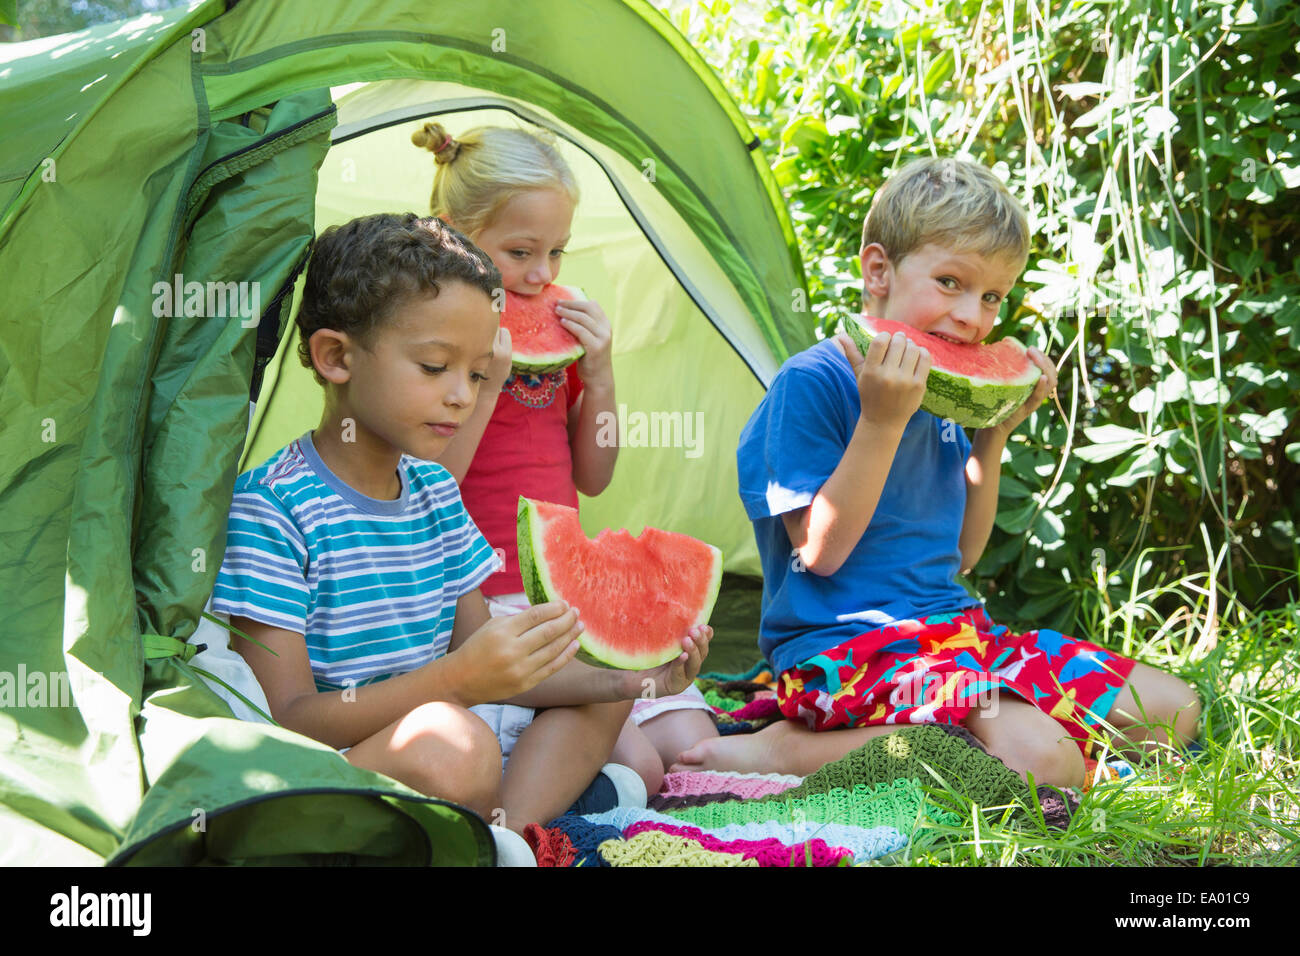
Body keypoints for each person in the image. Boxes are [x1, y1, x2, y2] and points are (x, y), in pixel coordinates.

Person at [674, 157, 1200, 787]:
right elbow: (819, 551)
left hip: (955, 634)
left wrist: (994, 435)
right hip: (842, 651)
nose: (974, 318)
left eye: (992, 297)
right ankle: (778, 751)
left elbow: (964, 554)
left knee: (1173, 711)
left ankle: (956, 730)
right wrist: (882, 422)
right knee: (1046, 766)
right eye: (951, 282)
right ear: (878, 271)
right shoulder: (812, 383)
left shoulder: (949, 394)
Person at [211, 213, 710, 846]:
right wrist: (456, 682)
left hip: (451, 731)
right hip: (334, 769)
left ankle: (502, 835)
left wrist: (640, 682)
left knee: (600, 699)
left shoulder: (436, 493)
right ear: (336, 357)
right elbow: (291, 721)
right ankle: (513, 816)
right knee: (455, 746)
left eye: (477, 374)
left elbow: (487, 655)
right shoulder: (273, 508)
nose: (461, 396)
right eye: (434, 367)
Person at [411, 122, 719, 792]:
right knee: (637, 761)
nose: (543, 274)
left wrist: (602, 373)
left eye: (557, 252)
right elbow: (433, 483)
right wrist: (488, 374)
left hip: (568, 592)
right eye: (520, 251)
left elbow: (594, 475)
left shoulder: (560, 330)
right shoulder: (435, 350)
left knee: (693, 744)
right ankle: (538, 795)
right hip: (481, 600)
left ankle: (585, 770)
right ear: (451, 234)